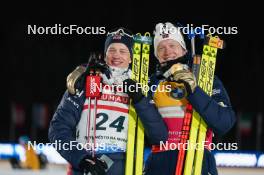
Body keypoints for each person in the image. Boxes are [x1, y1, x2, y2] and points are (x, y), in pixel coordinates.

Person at [48, 28, 168, 175]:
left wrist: (140, 100)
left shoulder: (141, 86)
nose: (116, 55)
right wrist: (81, 159)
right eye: (112, 50)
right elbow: (58, 129)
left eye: (123, 51)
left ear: (131, 58)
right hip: (86, 166)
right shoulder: (87, 81)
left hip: (124, 167)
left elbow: (160, 137)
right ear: (105, 55)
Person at [143, 22, 236, 175]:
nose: (167, 51)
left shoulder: (204, 78)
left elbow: (224, 123)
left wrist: (194, 91)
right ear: (156, 55)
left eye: (173, 45)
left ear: (184, 49)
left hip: (198, 161)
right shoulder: (151, 83)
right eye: (161, 48)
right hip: (160, 163)